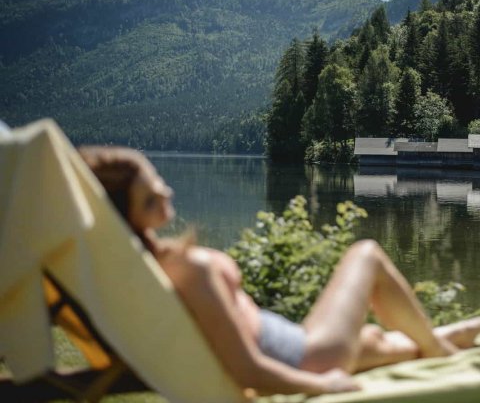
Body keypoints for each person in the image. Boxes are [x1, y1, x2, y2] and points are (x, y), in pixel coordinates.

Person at [79, 146, 480, 397]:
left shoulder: (148, 267)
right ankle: (439, 353)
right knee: (366, 254)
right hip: (306, 357)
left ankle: (453, 336)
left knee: (379, 341)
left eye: (159, 181)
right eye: (150, 198)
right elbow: (246, 367)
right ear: (128, 216)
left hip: (298, 343)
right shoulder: (191, 270)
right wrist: (325, 384)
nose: (166, 193)